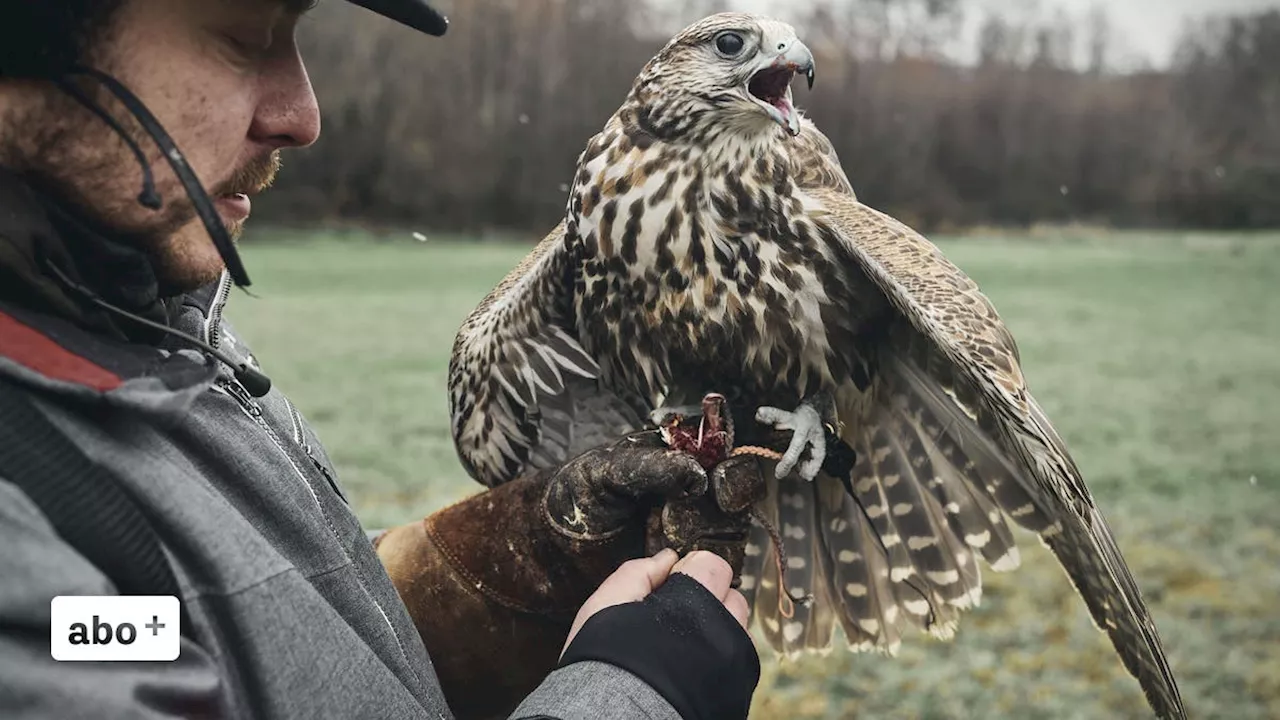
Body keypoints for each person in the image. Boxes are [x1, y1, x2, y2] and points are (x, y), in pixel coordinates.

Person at [0, 1, 761, 718]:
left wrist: (530, 560)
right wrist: (634, 694)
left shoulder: (144, 329)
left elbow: (253, 658)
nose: (301, 116)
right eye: (241, 37)